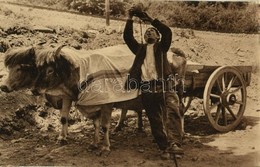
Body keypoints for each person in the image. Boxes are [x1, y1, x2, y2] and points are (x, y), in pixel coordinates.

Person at [123, 7, 184, 159]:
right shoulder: (139, 49)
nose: (149, 32)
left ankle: (175, 144)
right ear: (144, 37)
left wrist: (151, 20)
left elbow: (168, 32)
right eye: (147, 31)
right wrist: (130, 18)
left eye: (153, 31)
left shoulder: (162, 47)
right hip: (147, 90)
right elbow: (128, 37)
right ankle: (164, 147)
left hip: (164, 86)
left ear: (158, 37)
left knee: (172, 113)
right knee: (155, 120)